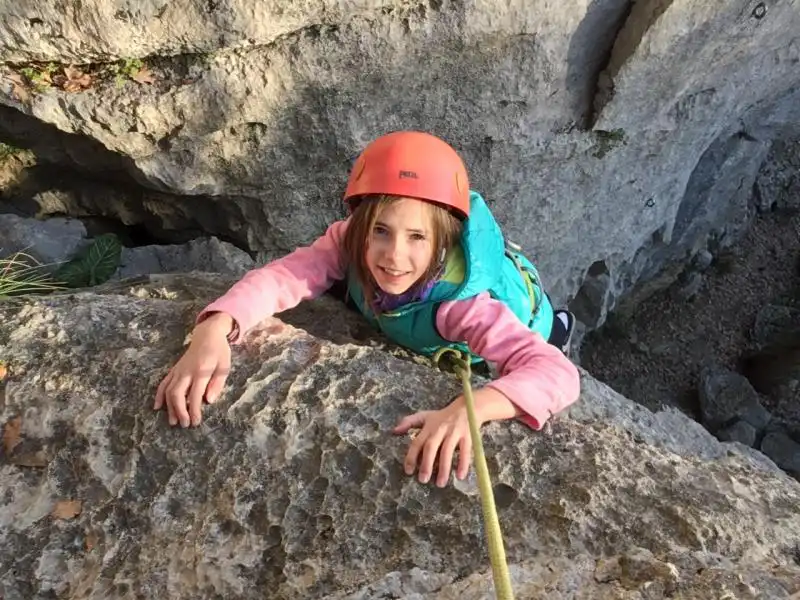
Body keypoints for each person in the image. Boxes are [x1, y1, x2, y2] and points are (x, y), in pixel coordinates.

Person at [154, 131, 581, 487]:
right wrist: (217, 326)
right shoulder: (348, 242)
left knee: (545, 331)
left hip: (521, 312)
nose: (394, 255)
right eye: (381, 230)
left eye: (417, 237)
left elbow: (555, 373)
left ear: (443, 243)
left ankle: (559, 324)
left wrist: (472, 410)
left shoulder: (462, 308)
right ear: (359, 225)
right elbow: (283, 277)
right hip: (414, 310)